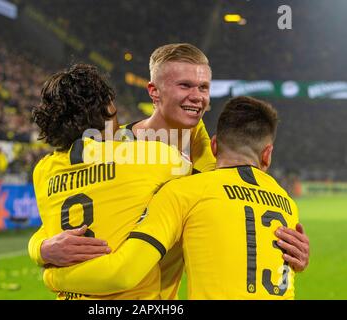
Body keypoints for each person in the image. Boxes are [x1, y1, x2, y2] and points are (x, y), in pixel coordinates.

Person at [29, 44, 310, 299]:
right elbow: (61, 217)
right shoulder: (117, 145)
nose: (197, 97)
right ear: (154, 91)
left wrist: (290, 249)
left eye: (203, 87)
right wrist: (42, 248)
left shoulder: (212, 157)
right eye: (186, 85)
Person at [30, 63, 191, 299]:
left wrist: (39, 250)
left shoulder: (43, 171)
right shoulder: (151, 157)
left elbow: (46, 229)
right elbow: (203, 173)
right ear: (106, 110)